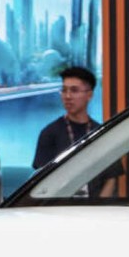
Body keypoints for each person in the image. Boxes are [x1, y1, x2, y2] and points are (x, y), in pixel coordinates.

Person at [32, 66, 117, 196]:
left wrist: (97, 205)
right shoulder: (49, 133)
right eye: (64, 90)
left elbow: (111, 178)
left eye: (74, 90)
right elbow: (40, 180)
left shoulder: (101, 133)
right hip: (59, 204)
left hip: (95, 204)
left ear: (89, 95)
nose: (67, 96)